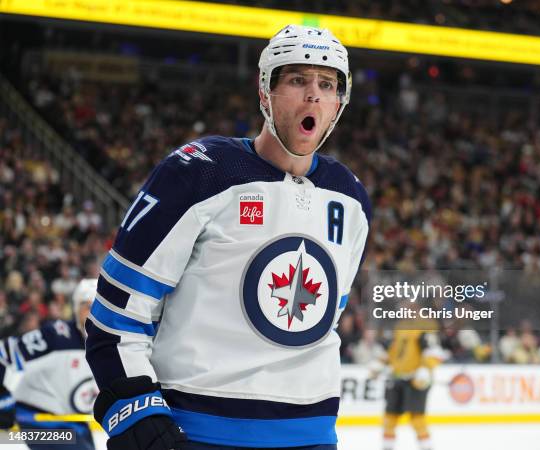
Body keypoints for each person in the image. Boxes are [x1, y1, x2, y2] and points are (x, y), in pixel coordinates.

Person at [85, 24, 371, 450]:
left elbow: (325, 319)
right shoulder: (200, 172)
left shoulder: (350, 199)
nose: (313, 94)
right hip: (196, 434)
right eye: (296, 79)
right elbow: (115, 318)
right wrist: (137, 417)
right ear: (264, 92)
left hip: (313, 437)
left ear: (338, 103)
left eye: (327, 84)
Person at [0, 279, 98, 450]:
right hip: (35, 420)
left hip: (72, 424)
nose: (95, 315)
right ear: (76, 309)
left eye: (101, 309)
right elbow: (3, 352)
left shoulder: (112, 345)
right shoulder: (56, 335)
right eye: (88, 307)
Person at [379, 319, 446, 450]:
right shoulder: (399, 326)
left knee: (417, 419)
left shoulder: (426, 326)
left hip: (417, 381)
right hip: (397, 378)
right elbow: (393, 351)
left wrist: (426, 369)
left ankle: (426, 448)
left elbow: (435, 352)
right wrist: (381, 363)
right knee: (389, 417)